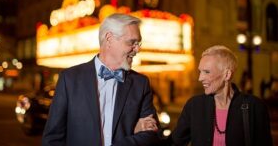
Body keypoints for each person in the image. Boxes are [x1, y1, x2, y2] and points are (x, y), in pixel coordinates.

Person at [42, 13, 161, 146]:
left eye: (138, 43)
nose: (137, 49)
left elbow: (152, 135)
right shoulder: (69, 79)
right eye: (132, 42)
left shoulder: (141, 83)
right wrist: (133, 130)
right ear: (109, 39)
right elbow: (52, 139)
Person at [168, 45, 273, 146]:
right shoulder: (195, 105)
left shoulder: (255, 107)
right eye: (200, 72)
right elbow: (174, 142)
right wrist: (152, 132)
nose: (200, 78)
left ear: (227, 75)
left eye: (207, 72)